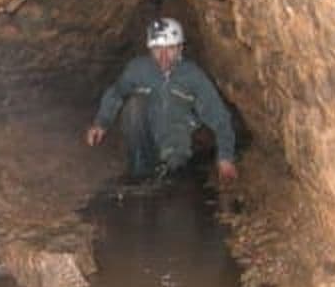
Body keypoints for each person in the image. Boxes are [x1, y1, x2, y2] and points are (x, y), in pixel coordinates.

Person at [85, 17, 238, 183]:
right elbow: (116, 93)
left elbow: (219, 116)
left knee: (175, 177)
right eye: (158, 49)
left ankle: (173, 167)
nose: (164, 56)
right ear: (150, 49)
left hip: (180, 142)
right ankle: (139, 173)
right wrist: (101, 123)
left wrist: (225, 158)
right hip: (146, 140)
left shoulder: (193, 76)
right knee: (135, 104)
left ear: (180, 48)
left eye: (171, 48)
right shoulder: (138, 69)